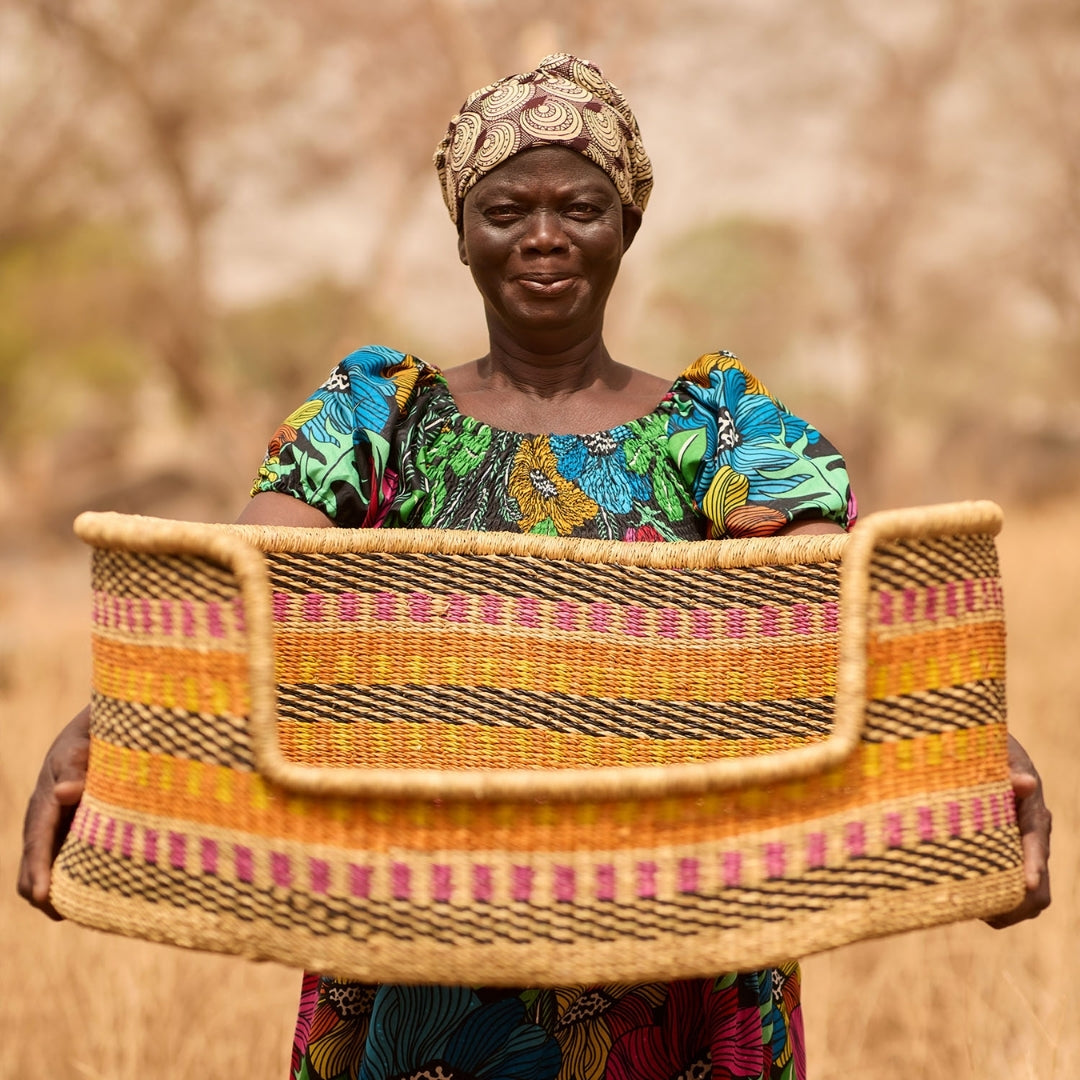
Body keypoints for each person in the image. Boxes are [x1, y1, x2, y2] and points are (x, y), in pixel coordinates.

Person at [19, 53, 1051, 1080]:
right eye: (507, 208)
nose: (545, 237)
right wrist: (115, 718)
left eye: (582, 207)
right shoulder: (374, 417)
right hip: (418, 943)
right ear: (463, 229)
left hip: (680, 939)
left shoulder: (726, 425)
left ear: (628, 225)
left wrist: (957, 733)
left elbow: (833, 600)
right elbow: (232, 590)